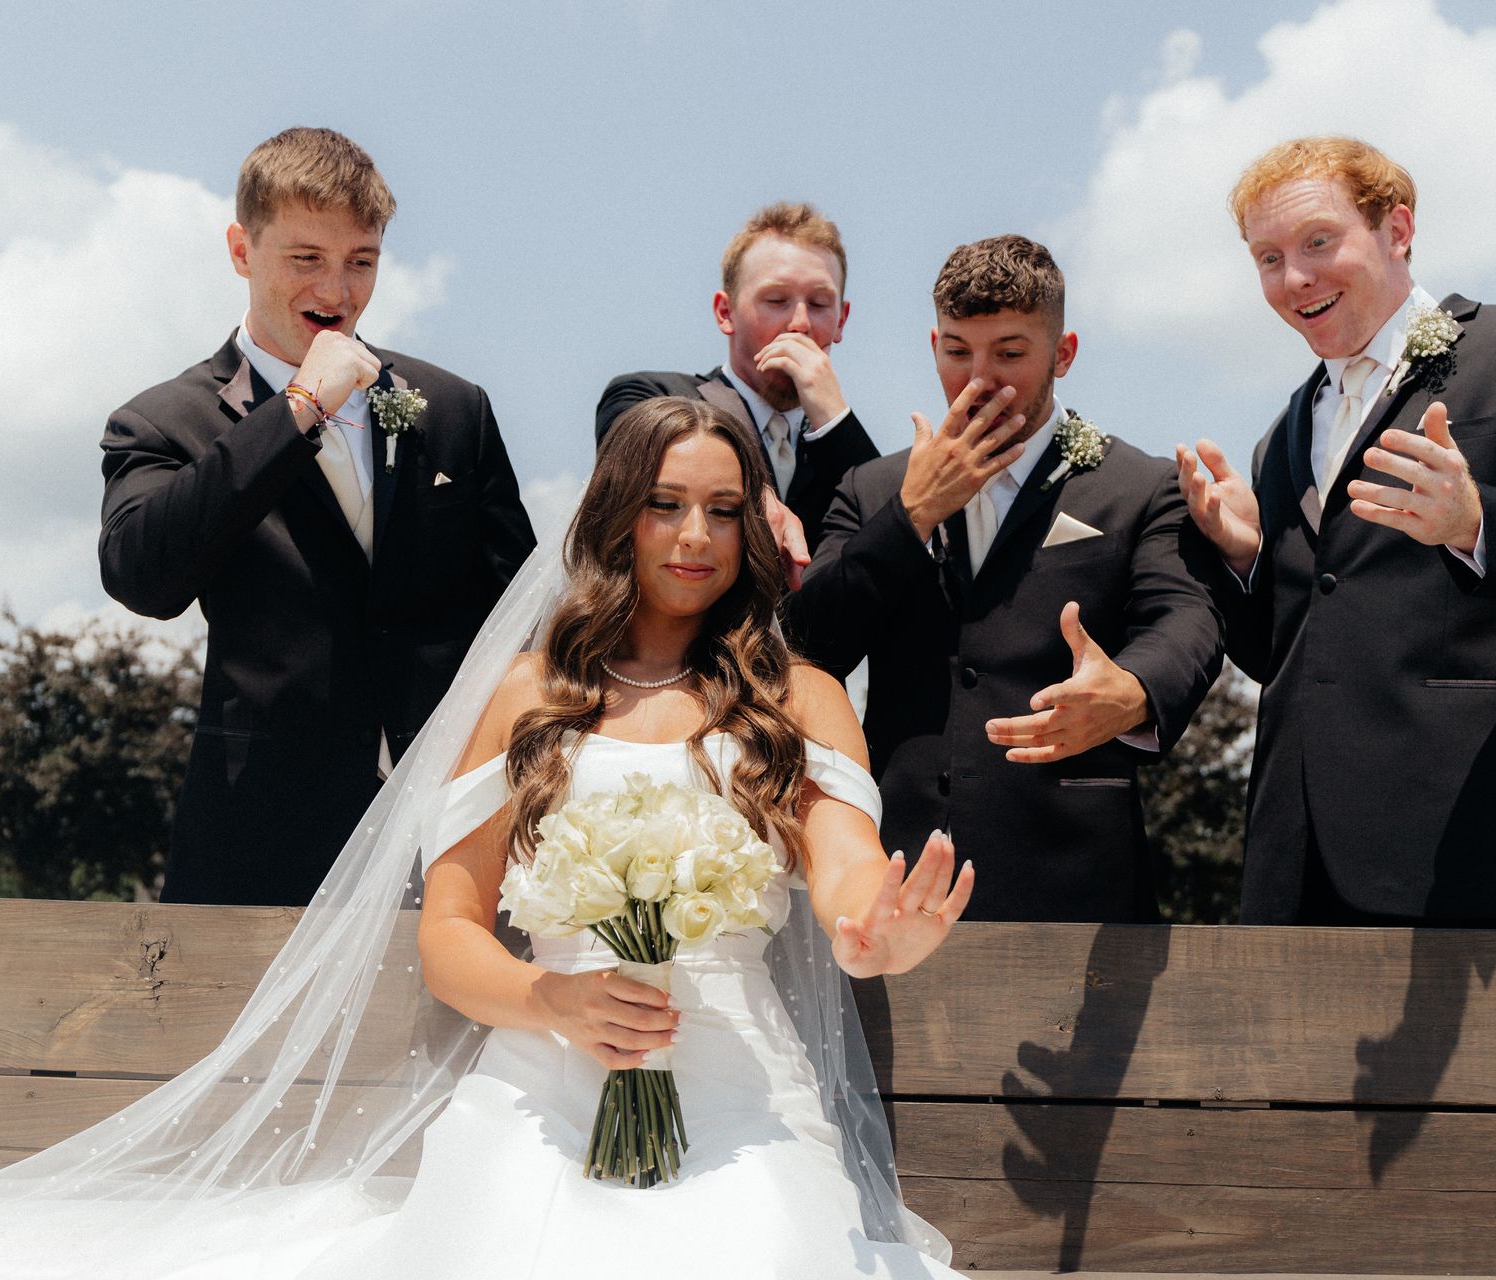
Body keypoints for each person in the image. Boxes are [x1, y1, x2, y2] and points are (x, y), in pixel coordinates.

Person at [0, 399, 975, 1279]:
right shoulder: (534, 692)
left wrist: (888, 933)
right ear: (616, 516)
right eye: (662, 505)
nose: (694, 535)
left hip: (740, 1098)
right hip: (538, 1093)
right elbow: (447, 933)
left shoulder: (796, 695)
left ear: (753, 525)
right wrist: (549, 993)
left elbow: (850, 895)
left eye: (718, 507)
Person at [1176, 136, 1496, 926]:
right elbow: (1290, 656)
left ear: (1397, 231)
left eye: (1318, 242)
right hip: (1297, 876)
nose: (1293, 278)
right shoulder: (1279, 440)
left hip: (1474, 863)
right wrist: (1245, 560)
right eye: (1267, 258)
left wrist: (1477, 522)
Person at [98, 127, 536, 906]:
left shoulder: (454, 410)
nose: (337, 293)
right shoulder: (164, 421)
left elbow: (524, 627)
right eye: (307, 259)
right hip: (262, 842)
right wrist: (296, 410)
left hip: (456, 834)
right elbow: (143, 577)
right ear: (242, 249)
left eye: (361, 262)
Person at [787, 235, 1223, 922]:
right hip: (891, 878)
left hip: (1075, 881)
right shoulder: (873, 491)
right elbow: (809, 643)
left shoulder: (1139, 487)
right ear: (934, 345)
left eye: (1010, 353)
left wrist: (1134, 690)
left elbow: (1185, 619)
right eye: (957, 352)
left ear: (1064, 352)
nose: (979, 378)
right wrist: (913, 515)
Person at [595, 202, 880, 564]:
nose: (800, 323)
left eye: (820, 303)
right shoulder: (647, 394)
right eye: (776, 300)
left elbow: (897, 538)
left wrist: (836, 420)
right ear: (725, 312)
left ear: (843, 319)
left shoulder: (840, 447)